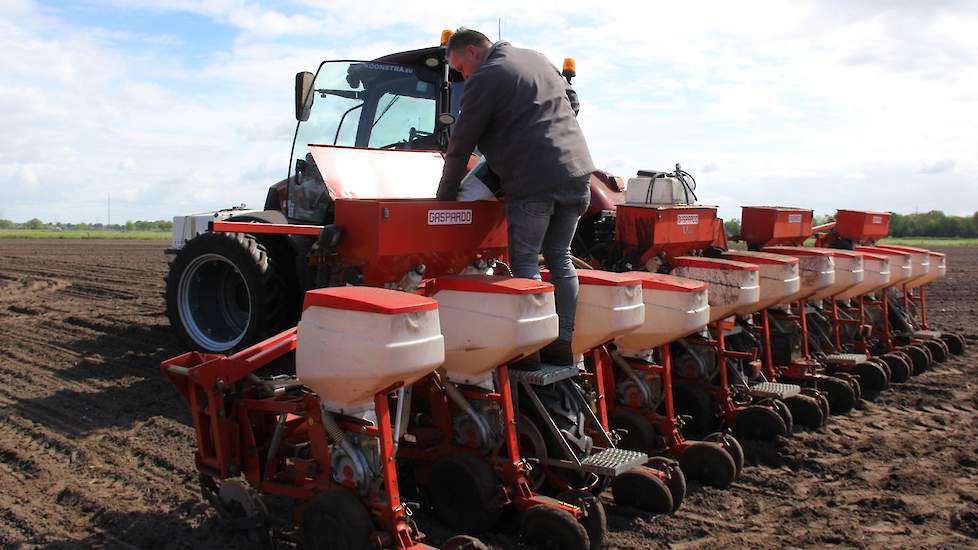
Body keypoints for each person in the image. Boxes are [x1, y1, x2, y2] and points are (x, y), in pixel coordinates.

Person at [436, 28, 595, 366]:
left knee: (524, 263)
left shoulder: (487, 76)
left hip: (534, 180)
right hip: (578, 173)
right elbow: (574, 102)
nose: (464, 76)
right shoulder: (537, 58)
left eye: (461, 68)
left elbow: (461, 142)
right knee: (560, 258)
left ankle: (529, 350)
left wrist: (445, 196)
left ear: (473, 52)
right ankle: (563, 342)